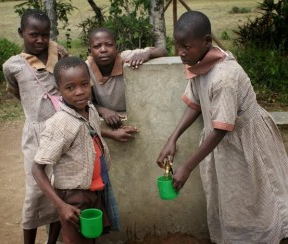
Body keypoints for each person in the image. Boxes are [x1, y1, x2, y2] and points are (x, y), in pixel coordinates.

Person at [156, 11, 288, 244]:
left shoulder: (224, 77)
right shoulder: (200, 65)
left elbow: (220, 129)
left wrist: (187, 166)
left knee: (257, 197)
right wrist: (172, 139)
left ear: (207, 41)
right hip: (223, 144)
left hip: (246, 143)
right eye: (177, 46)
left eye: (186, 46)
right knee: (233, 200)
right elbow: (195, 103)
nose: (180, 53)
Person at [32, 56, 118, 244]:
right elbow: (37, 168)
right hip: (73, 196)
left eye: (84, 84)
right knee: (76, 240)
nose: (79, 92)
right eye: (70, 88)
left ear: (91, 84)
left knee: (90, 237)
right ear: (58, 90)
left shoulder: (90, 110)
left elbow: (88, 133)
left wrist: (113, 135)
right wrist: (61, 206)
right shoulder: (60, 123)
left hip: (93, 190)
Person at [2, 9, 68, 244]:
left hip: (61, 133)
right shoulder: (13, 66)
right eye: (34, 35)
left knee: (60, 186)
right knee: (35, 190)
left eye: (45, 34)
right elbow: (19, 92)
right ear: (21, 33)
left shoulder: (59, 55)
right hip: (35, 136)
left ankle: (52, 242)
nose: (40, 40)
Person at [86, 27, 168, 129]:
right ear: (90, 51)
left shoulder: (125, 58)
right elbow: (86, 102)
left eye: (109, 45)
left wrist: (147, 54)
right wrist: (103, 111)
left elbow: (163, 51)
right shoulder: (85, 68)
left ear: (117, 48)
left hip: (135, 114)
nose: (103, 50)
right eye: (97, 46)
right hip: (108, 117)